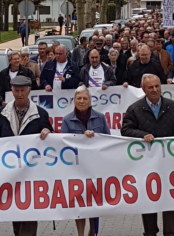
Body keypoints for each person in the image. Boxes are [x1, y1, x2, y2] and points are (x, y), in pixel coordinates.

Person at [121, 74, 174, 236]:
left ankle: (171, 232)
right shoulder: (135, 109)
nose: (154, 90)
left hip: (168, 164)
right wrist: (142, 135)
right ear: (143, 89)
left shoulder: (172, 106)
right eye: (150, 87)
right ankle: (150, 232)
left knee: (169, 200)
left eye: (157, 86)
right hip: (145, 165)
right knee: (148, 200)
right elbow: (125, 129)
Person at [0, 76, 53, 236]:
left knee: (29, 212)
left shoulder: (40, 114)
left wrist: (48, 133)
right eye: (16, 90)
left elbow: (52, 139)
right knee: (15, 212)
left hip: (31, 174)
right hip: (10, 172)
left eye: (22, 90)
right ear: (11, 91)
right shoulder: (3, 113)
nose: (19, 94)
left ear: (29, 91)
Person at [61, 85, 110, 236]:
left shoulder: (100, 118)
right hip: (76, 169)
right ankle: (80, 233)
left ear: (90, 101)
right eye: (79, 98)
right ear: (74, 101)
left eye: (85, 98)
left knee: (94, 203)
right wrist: (82, 138)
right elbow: (64, 144)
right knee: (79, 205)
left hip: (96, 167)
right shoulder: (67, 120)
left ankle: (93, 231)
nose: (82, 101)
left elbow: (107, 140)